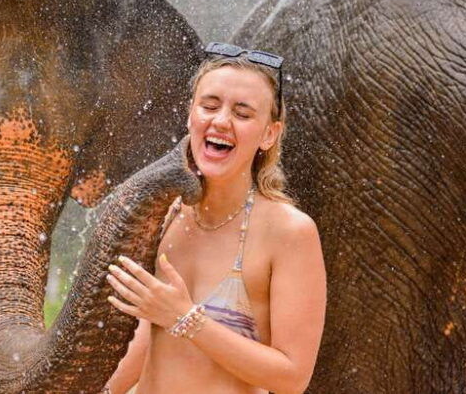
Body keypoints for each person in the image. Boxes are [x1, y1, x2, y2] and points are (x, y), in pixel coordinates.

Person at [103, 42, 326, 394]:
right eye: (209, 105)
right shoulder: (166, 213)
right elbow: (149, 334)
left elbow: (292, 376)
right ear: (190, 114)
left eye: (243, 113)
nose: (220, 121)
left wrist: (184, 317)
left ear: (269, 134)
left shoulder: (288, 232)